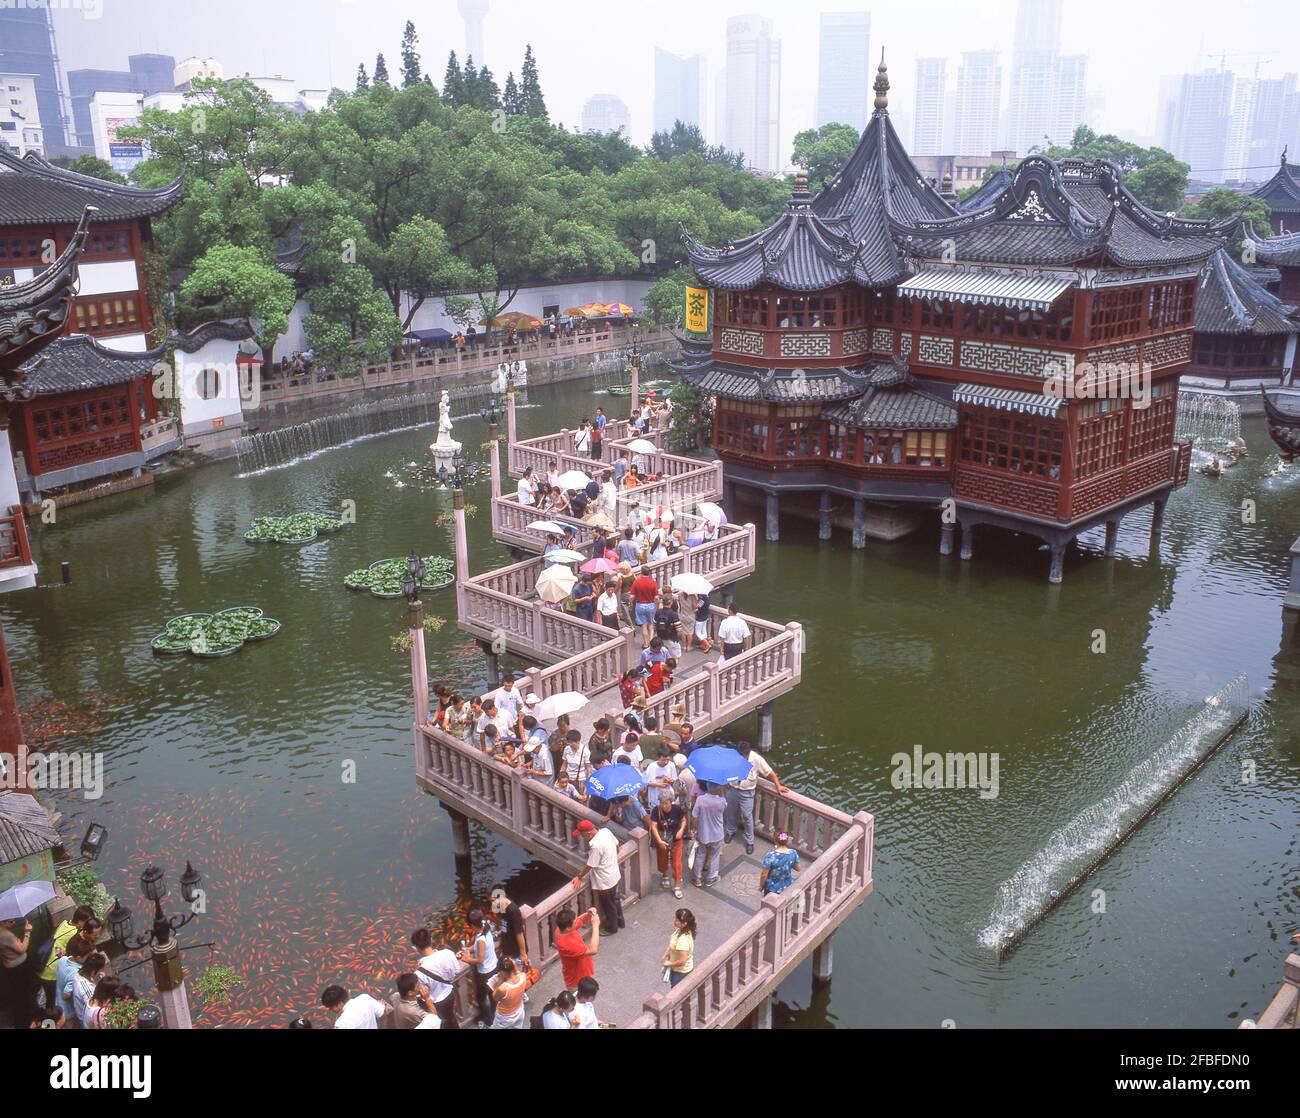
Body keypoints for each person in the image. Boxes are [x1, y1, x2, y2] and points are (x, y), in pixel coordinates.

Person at [726, 742, 790, 855]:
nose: (742, 757)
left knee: (747, 816)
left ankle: (749, 841)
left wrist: (778, 786)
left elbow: (770, 773)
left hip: (747, 793)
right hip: (732, 789)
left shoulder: (756, 759)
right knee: (730, 811)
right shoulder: (734, 756)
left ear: (748, 753)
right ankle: (730, 831)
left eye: (744, 755)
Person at [571, 820, 624, 935]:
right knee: (615, 899)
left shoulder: (596, 845)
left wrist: (579, 876)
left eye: (582, 834)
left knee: (609, 905)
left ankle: (612, 928)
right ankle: (621, 921)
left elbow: (590, 865)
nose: (582, 837)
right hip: (614, 874)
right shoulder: (605, 831)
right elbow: (617, 844)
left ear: (588, 833)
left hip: (604, 881)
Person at [38, 905, 91, 1012]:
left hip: (44, 965)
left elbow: (59, 945)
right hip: (51, 971)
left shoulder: (65, 923)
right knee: (53, 1000)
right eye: (87, 923)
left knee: (49, 997)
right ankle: (51, 1020)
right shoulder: (74, 933)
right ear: (80, 921)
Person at [411, 926, 461, 1028]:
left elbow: (421, 993)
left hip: (437, 1004)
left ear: (415, 948)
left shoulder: (419, 973)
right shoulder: (448, 953)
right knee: (451, 1017)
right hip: (450, 995)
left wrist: (417, 970)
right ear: (431, 939)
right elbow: (457, 970)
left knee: (441, 1024)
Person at [457, 907, 500, 1025]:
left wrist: (466, 959)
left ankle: (488, 1021)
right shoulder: (486, 928)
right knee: (492, 995)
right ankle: (495, 1014)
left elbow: (480, 960)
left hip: (485, 972)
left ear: (472, 924)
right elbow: (478, 947)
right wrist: (467, 950)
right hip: (494, 967)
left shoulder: (481, 939)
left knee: (481, 997)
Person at [553, 906, 600, 992]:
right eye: (574, 923)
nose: (576, 922)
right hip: (577, 981)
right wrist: (595, 926)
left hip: (583, 971)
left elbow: (580, 920)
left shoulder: (561, 929)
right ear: (568, 928)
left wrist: (588, 915)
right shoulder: (567, 945)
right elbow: (593, 950)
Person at [650, 791, 687, 898]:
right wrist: (659, 841)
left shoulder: (677, 809)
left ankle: (676, 886)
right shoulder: (656, 811)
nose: (664, 806)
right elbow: (653, 826)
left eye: (667, 803)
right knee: (662, 859)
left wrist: (681, 830)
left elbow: (683, 820)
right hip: (663, 839)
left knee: (677, 863)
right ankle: (665, 875)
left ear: (671, 802)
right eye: (662, 803)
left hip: (676, 838)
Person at [691, 782, 727, 888]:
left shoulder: (700, 800)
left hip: (703, 832)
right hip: (717, 833)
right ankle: (711, 878)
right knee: (715, 855)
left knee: (701, 854)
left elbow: (694, 816)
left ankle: (697, 878)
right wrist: (722, 793)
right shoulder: (722, 800)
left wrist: (694, 828)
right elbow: (724, 809)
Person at [491, 884, 529, 966]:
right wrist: (501, 932)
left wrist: (523, 954)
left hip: (515, 952)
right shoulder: (501, 907)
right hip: (507, 949)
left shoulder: (514, 911)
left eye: (493, 901)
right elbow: (506, 923)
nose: (492, 904)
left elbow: (519, 933)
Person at [321, 984, 390, 1029]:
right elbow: (384, 1013)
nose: (330, 1010)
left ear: (340, 1004)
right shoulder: (365, 998)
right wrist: (380, 1005)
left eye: (331, 1007)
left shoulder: (340, 1023)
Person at [490, 956, 530, 1029]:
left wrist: (500, 980)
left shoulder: (503, 988)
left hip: (505, 1017)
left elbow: (494, 997)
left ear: (502, 972)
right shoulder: (523, 976)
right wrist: (512, 964)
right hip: (519, 1011)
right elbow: (517, 972)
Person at [661, 908, 697, 988]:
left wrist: (669, 964)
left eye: (677, 920)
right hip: (677, 969)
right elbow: (673, 943)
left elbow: (682, 962)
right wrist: (666, 953)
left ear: (684, 924)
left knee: (675, 990)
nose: (674, 921)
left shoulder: (683, 940)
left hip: (680, 973)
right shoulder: (680, 930)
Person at [760, 831, 802, 896]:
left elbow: (764, 875)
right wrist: (789, 861)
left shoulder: (770, 856)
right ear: (787, 841)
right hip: (787, 886)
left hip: (772, 888)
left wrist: (761, 886)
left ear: (775, 841)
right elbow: (798, 868)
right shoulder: (793, 853)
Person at [631, 569, 660, 645]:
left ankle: (645, 644)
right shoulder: (653, 582)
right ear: (649, 573)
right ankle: (651, 642)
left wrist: (630, 603)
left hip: (640, 605)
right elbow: (656, 597)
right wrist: (657, 606)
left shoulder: (636, 582)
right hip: (650, 604)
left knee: (644, 626)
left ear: (641, 572)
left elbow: (631, 596)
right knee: (651, 625)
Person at [561, 728, 592, 793]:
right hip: (568, 778)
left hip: (580, 780)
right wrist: (560, 777)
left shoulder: (585, 751)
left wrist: (586, 786)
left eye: (572, 743)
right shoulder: (567, 749)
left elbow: (588, 769)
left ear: (578, 741)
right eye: (568, 742)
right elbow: (564, 764)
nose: (570, 744)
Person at [654, 594, 682, 659]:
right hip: (672, 639)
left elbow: (654, 625)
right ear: (671, 602)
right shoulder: (673, 614)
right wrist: (678, 638)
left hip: (660, 639)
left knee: (663, 657)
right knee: (676, 658)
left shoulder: (658, 612)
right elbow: (679, 630)